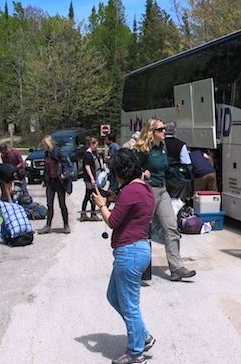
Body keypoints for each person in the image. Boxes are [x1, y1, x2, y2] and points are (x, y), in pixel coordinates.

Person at [91, 148, 156, 364]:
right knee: (114, 297)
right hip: (139, 250)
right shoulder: (145, 188)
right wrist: (112, 197)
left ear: (121, 171)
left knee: (129, 306)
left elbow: (113, 221)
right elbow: (129, 208)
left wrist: (102, 205)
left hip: (129, 252)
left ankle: (136, 353)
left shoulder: (129, 192)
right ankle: (143, 335)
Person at [133, 118, 196, 282]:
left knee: (172, 227)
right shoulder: (143, 150)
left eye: (163, 129)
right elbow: (131, 170)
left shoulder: (163, 147)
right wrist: (142, 175)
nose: (164, 132)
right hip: (147, 191)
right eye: (160, 129)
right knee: (142, 231)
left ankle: (176, 268)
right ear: (151, 132)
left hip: (162, 190)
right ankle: (138, 270)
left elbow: (167, 169)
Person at [39, 135, 73, 234]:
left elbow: (66, 165)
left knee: (62, 204)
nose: (43, 146)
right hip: (51, 181)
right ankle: (48, 226)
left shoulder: (58, 152)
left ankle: (66, 225)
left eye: (44, 144)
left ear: (48, 144)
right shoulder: (46, 154)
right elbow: (47, 168)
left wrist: (64, 174)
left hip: (59, 181)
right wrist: (44, 180)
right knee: (49, 204)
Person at [162, 122, 193, 201]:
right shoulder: (181, 144)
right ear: (175, 131)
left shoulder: (159, 143)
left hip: (161, 176)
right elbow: (186, 163)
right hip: (176, 177)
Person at [79, 137, 101, 221]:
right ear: (91, 144)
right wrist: (92, 178)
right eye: (96, 145)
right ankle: (91, 213)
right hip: (89, 178)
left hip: (92, 177)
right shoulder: (88, 154)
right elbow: (87, 167)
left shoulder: (93, 153)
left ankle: (85, 213)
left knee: (88, 195)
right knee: (92, 195)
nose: (96, 147)